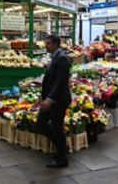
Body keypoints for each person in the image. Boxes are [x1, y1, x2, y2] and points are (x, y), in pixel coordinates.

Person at [37, 34, 72, 168]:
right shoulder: (55, 57)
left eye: (48, 44)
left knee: (57, 128)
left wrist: (49, 99)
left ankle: (62, 158)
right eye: (46, 43)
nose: (46, 46)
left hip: (58, 100)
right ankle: (61, 149)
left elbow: (60, 82)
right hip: (51, 98)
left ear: (56, 44)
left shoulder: (62, 59)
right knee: (41, 122)